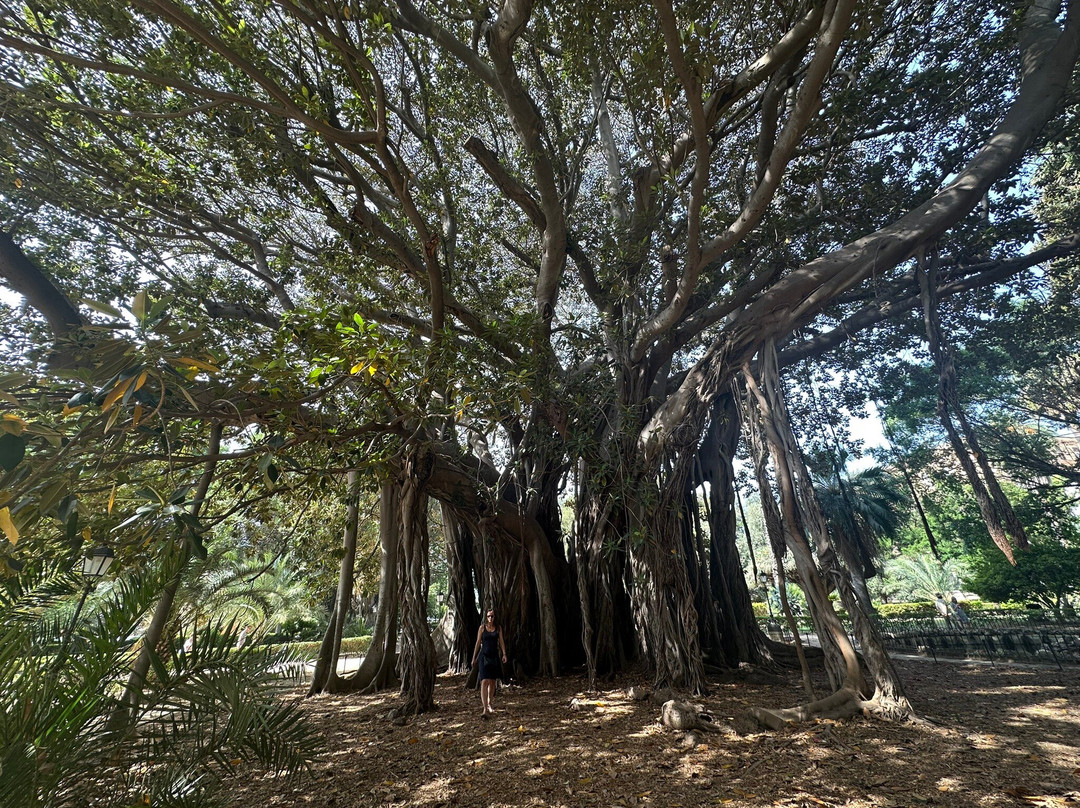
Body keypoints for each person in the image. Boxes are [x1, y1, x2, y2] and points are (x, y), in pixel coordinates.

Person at [471, 608, 507, 719]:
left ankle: (490, 703)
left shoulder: (498, 628)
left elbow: (501, 641)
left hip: (494, 657)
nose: (490, 618)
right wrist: (474, 658)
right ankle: (485, 708)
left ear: (495, 617)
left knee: (492, 681)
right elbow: (478, 643)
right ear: (486, 617)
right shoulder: (482, 628)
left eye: (492, 616)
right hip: (483, 657)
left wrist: (504, 654)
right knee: (484, 681)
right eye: (488, 616)